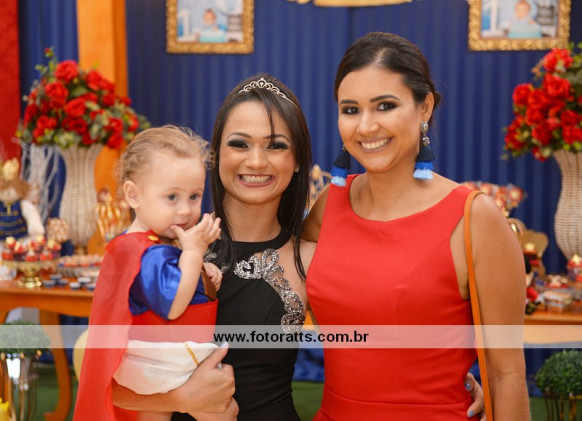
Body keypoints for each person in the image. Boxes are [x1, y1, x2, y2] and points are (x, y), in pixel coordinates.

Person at [108, 75, 485, 419]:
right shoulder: (162, 248)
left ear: (298, 161)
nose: (256, 161)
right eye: (239, 144)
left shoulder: (312, 258)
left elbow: (382, 337)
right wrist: (179, 399)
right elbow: (96, 368)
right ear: (217, 155)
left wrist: (452, 386)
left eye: (276, 146)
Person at [303, 32, 530, 420]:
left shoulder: (475, 218)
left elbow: (506, 374)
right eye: (351, 109)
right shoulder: (329, 205)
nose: (366, 126)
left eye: (385, 105)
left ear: (424, 107)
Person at [74, 126, 228, 421]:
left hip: (161, 361)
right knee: (223, 410)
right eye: (172, 197)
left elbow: (177, 275)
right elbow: (174, 306)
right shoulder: (145, 253)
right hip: (160, 364)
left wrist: (200, 270)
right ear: (134, 195)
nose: (185, 210)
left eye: (194, 196)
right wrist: (194, 254)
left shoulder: (150, 243)